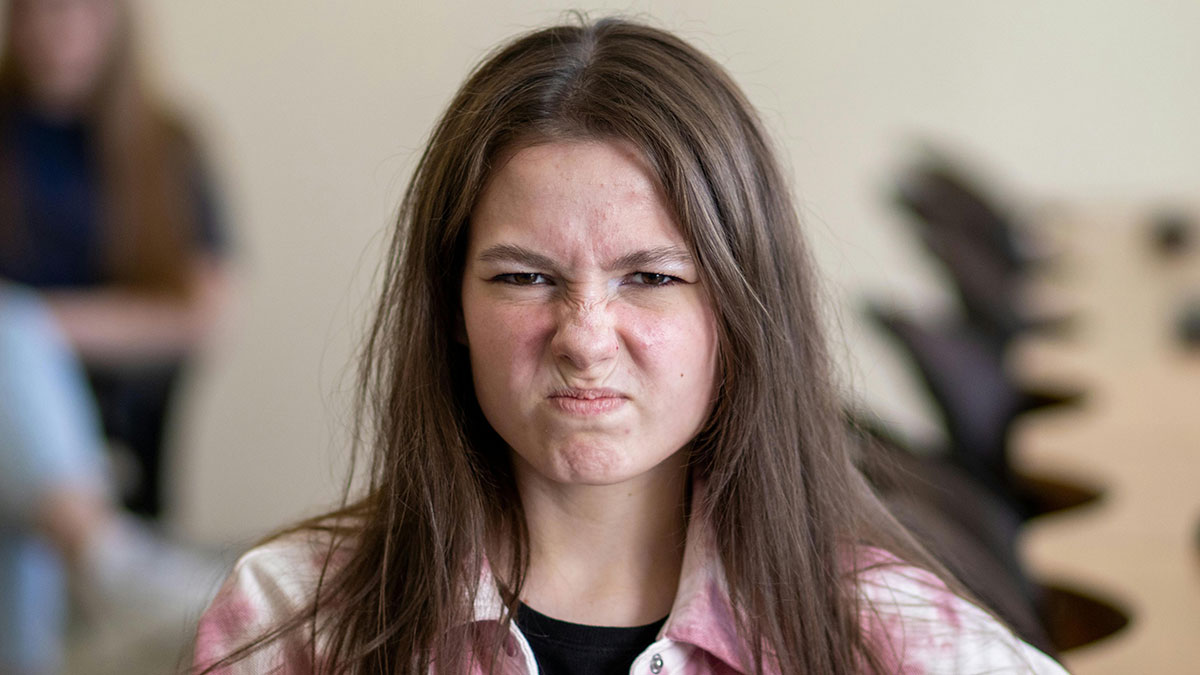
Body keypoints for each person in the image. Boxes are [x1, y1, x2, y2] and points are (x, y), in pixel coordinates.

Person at [194, 17, 1066, 674]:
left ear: (740, 310)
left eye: (650, 277)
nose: (583, 337)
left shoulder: (882, 633)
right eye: (524, 277)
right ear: (449, 305)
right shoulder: (295, 618)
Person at [0, 0, 230, 671]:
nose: (59, 33)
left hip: (106, 414)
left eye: (80, 14)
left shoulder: (167, 143)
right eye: (41, 14)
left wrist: (39, 330)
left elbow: (204, 311)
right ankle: (101, 556)